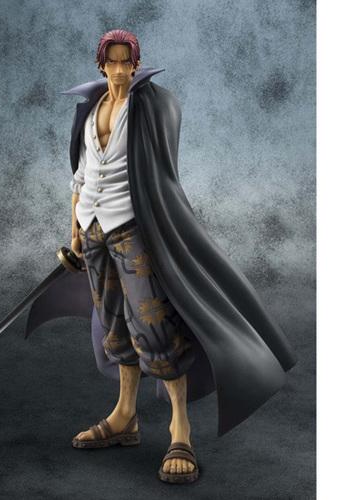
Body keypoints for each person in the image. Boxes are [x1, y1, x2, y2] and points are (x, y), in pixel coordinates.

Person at [60, 29, 297, 484]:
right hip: (92, 228)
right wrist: (74, 231)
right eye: (111, 61)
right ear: (100, 65)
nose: (118, 69)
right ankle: (125, 416)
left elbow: (161, 172)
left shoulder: (150, 106)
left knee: (154, 326)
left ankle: (179, 430)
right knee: (114, 325)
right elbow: (82, 174)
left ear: (136, 64)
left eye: (125, 61)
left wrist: (157, 221)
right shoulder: (90, 110)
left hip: (132, 227)